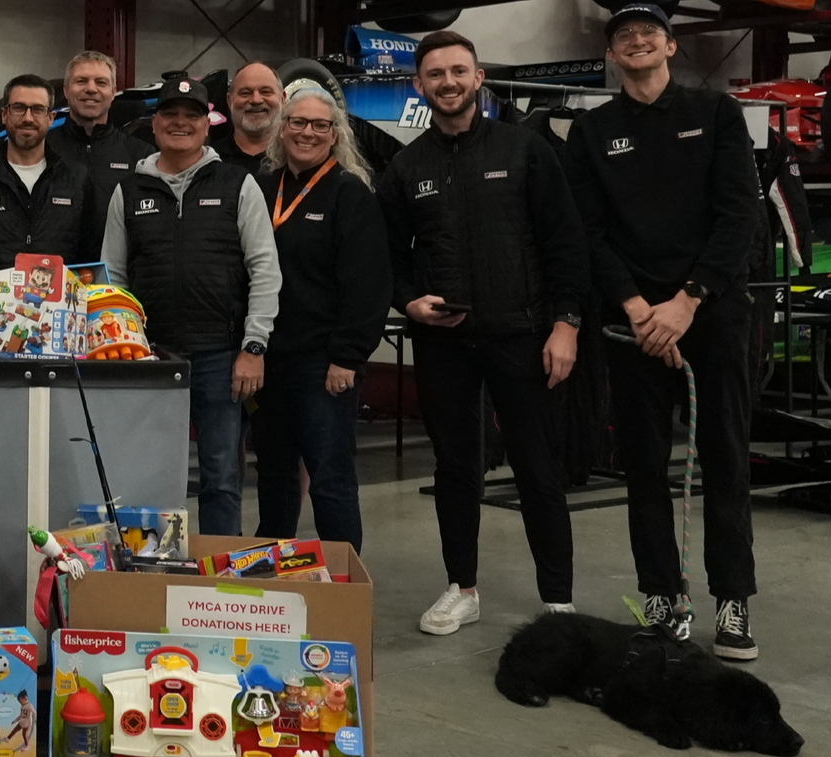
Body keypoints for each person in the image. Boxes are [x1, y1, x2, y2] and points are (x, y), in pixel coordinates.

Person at [562, 4, 762, 656]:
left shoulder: (715, 114)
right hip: (633, 325)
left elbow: (738, 217)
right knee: (642, 468)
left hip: (709, 315)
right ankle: (661, 596)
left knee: (726, 459)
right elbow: (587, 233)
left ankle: (732, 601)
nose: (637, 41)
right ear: (613, 54)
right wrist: (636, 307)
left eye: (648, 32)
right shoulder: (591, 132)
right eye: (624, 36)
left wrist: (688, 300)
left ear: (670, 45)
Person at [376, 31, 592, 636]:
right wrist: (408, 301)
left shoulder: (525, 151)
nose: (447, 82)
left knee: (536, 467)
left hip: (521, 336)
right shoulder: (405, 166)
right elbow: (386, 261)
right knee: (455, 468)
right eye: (435, 73)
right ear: (418, 85)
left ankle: (559, 601)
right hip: (444, 344)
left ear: (478, 79)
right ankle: (461, 589)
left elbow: (566, 245)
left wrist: (566, 325)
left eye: (458, 71)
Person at [98, 77, 281, 536]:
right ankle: (151, 572)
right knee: (151, 474)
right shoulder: (128, 191)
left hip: (221, 356)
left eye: (192, 116)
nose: (181, 123)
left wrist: (253, 346)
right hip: (151, 359)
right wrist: (124, 347)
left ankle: (218, 581)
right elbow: (112, 277)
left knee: (221, 476)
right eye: (171, 115)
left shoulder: (239, 185)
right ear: (155, 124)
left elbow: (265, 270)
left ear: (207, 125)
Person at [250, 80, 390, 552]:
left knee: (329, 473)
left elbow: (368, 285)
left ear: (335, 135)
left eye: (319, 125)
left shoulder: (350, 195)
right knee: (273, 470)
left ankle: (345, 581)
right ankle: (271, 564)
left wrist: (346, 357)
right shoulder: (262, 189)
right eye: (297, 122)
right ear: (281, 129)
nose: (307, 132)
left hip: (323, 363)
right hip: (268, 359)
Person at [0, 73, 103, 275]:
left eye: (38, 110)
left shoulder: (76, 178)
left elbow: (90, 260)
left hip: (59, 305)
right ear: (4, 115)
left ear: (51, 118)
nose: (28, 118)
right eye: (19, 108)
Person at [50, 51, 155, 199]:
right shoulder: (42, 149)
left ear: (113, 93)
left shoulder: (140, 154)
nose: (91, 89)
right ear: (66, 90)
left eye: (101, 82)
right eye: (81, 81)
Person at [213, 62, 281, 174]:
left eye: (266, 92)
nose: (256, 100)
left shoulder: (296, 158)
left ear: (283, 98)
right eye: (245, 93)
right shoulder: (210, 161)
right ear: (230, 101)